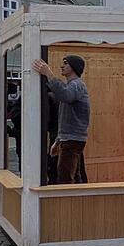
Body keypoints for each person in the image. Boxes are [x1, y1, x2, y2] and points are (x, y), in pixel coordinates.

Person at [32, 55, 90, 184]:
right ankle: (79, 203)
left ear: (74, 67)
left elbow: (66, 95)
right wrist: (58, 140)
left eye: (65, 63)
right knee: (75, 176)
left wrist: (49, 74)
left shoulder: (77, 85)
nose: (62, 66)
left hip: (72, 139)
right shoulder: (72, 85)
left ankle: (68, 204)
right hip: (69, 139)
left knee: (65, 178)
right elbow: (65, 118)